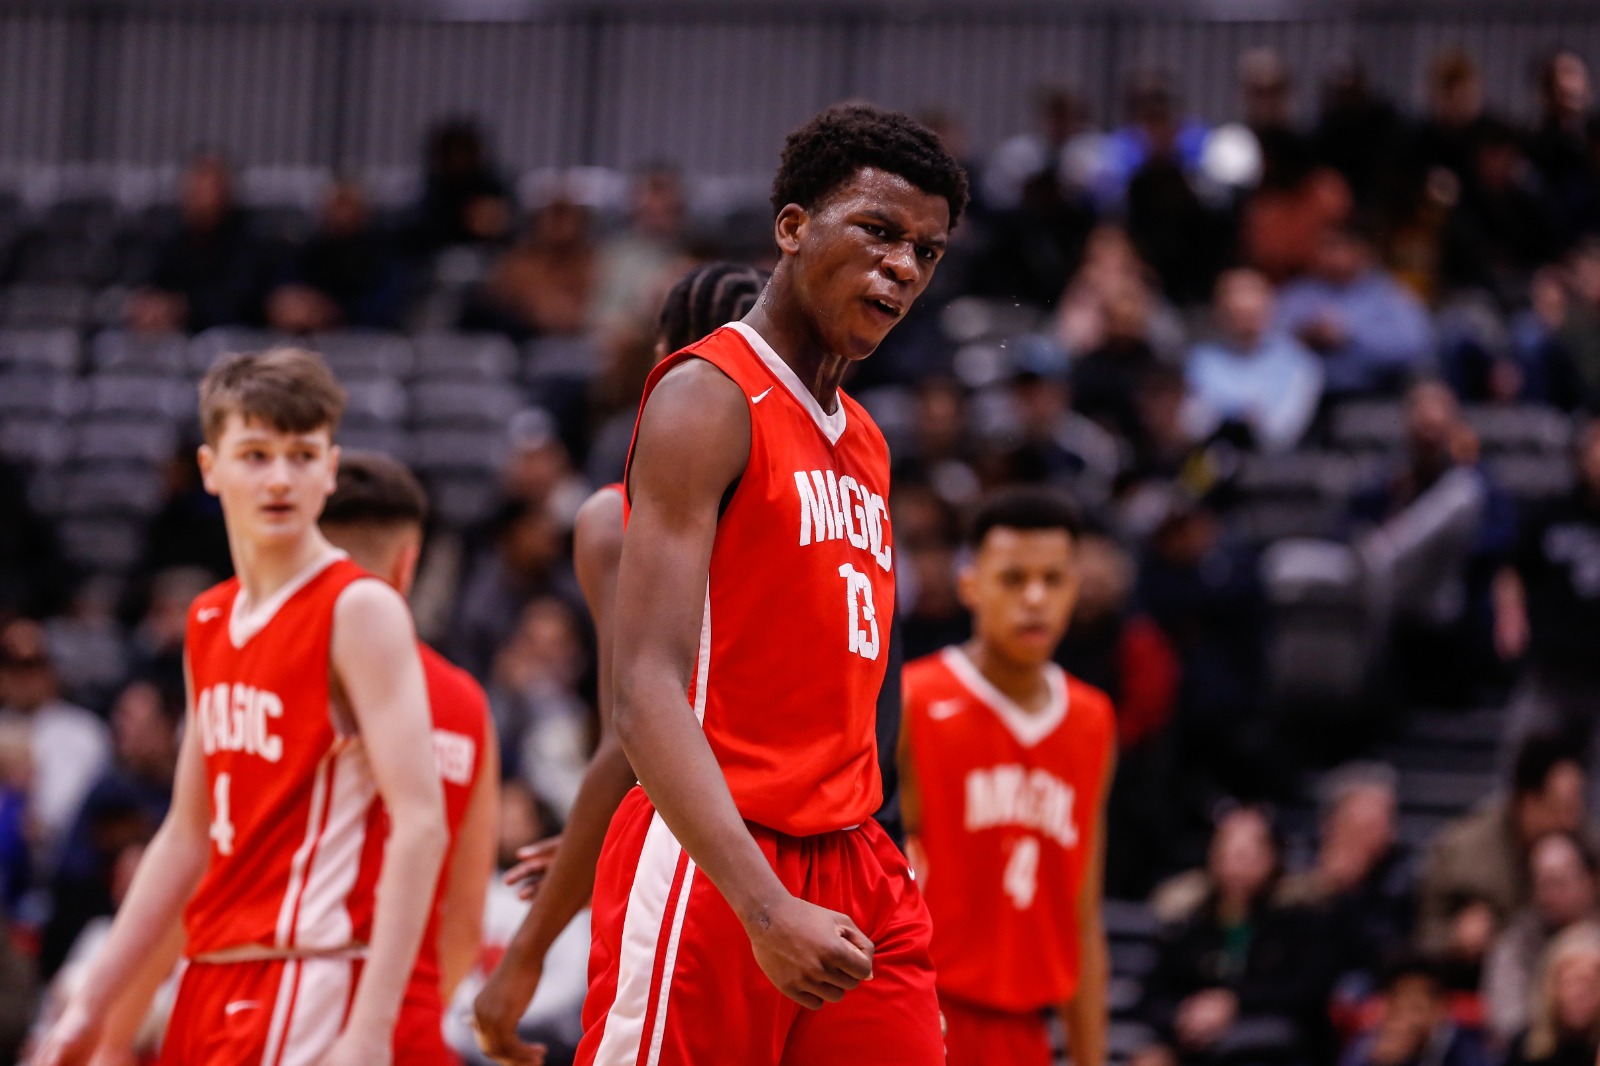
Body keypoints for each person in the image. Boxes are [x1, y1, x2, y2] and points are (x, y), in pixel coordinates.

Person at [568, 103, 966, 1065]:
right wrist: (762, 904)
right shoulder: (706, 397)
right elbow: (644, 690)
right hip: (718, 856)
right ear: (792, 227)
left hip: (855, 857)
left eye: (926, 250)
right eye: (878, 231)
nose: (903, 266)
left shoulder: (865, 441)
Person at [33, 347, 448, 1066]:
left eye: (301, 455)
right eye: (255, 455)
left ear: (329, 468)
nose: (280, 477)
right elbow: (184, 836)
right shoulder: (208, 618)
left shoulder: (359, 609)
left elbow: (421, 822)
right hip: (208, 975)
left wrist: (370, 1030)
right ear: (210, 467)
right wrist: (90, 1005)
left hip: (306, 972)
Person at [472, 261, 767, 1065]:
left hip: (693, 855)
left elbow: (630, 742)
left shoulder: (617, 516)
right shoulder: (840, 495)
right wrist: (586, 841)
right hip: (828, 847)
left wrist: (528, 950)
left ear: (666, 362)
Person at [898, 489, 1115, 1066]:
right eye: (1014, 579)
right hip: (925, 1015)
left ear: (1075, 588)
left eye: (1053, 579)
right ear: (971, 586)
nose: (1036, 598)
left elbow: (1082, 913)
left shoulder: (1092, 719)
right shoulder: (915, 699)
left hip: (1027, 1032)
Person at [318, 451, 500, 1066]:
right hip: (405, 1024)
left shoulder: (267, 676)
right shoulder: (465, 702)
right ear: (408, 563)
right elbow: (465, 922)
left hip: (273, 1011)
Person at [1135, 806, 1337, 1066]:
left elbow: (1308, 991)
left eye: (1246, 855)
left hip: (1272, 1047)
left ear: (1273, 856)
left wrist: (1234, 1003)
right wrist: (1183, 1013)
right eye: (1227, 853)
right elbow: (1151, 996)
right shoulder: (1191, 919)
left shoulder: (1301, 916)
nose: (1235, 867)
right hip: (1197, 1044)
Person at [1419, 734, 1593, 957]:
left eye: (1578, 803)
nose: (1573, 819)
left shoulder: (1588, 843)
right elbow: (1424, 934)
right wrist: (1455, 937)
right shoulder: (1463, 853)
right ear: (1529, 801)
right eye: (1563, 807)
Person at [1184, 267, 1323, 452]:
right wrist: (1246, 413)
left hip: (1276, 463)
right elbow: (1194, 425)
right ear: (1218, 312)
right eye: (1235, 313)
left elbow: (1280, 433)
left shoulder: (1300, 362)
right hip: (1212, 457)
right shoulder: (1201, 360)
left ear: (1271, 306)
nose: (1244, 321)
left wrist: (1228, 412)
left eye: (1251, 314)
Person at [1484, 832, 1600, 1045]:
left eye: (1559, 882)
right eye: (1542, 884)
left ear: (1592, 880)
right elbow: (1507, 1021)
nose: (1550, 894)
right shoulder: (1517, 941)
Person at [1338, 956, 1494, 1066]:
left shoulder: (1464, 1047)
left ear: (1439, 1009)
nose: (1407, 1019)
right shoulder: (1367, 1045)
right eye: (1399, 1008)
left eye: (1416, 1008)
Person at [1506, 921, 1600, 1066]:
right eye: (1569, 982)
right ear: (1551, 987)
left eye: (1589, 984)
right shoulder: (1525, 1048)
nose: (1578, 994)